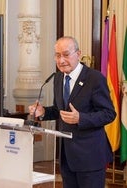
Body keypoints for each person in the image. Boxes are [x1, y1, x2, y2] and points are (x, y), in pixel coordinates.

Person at [28, 36, 116, 188]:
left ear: (78, 54)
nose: (61, 60)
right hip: (67, 156)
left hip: (90, 157)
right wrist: (43, 112)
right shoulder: (57, 78)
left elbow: (108, 113)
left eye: (66, 54)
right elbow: (59, 110)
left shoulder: (94, 78)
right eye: (57, 55)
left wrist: (81, 118)